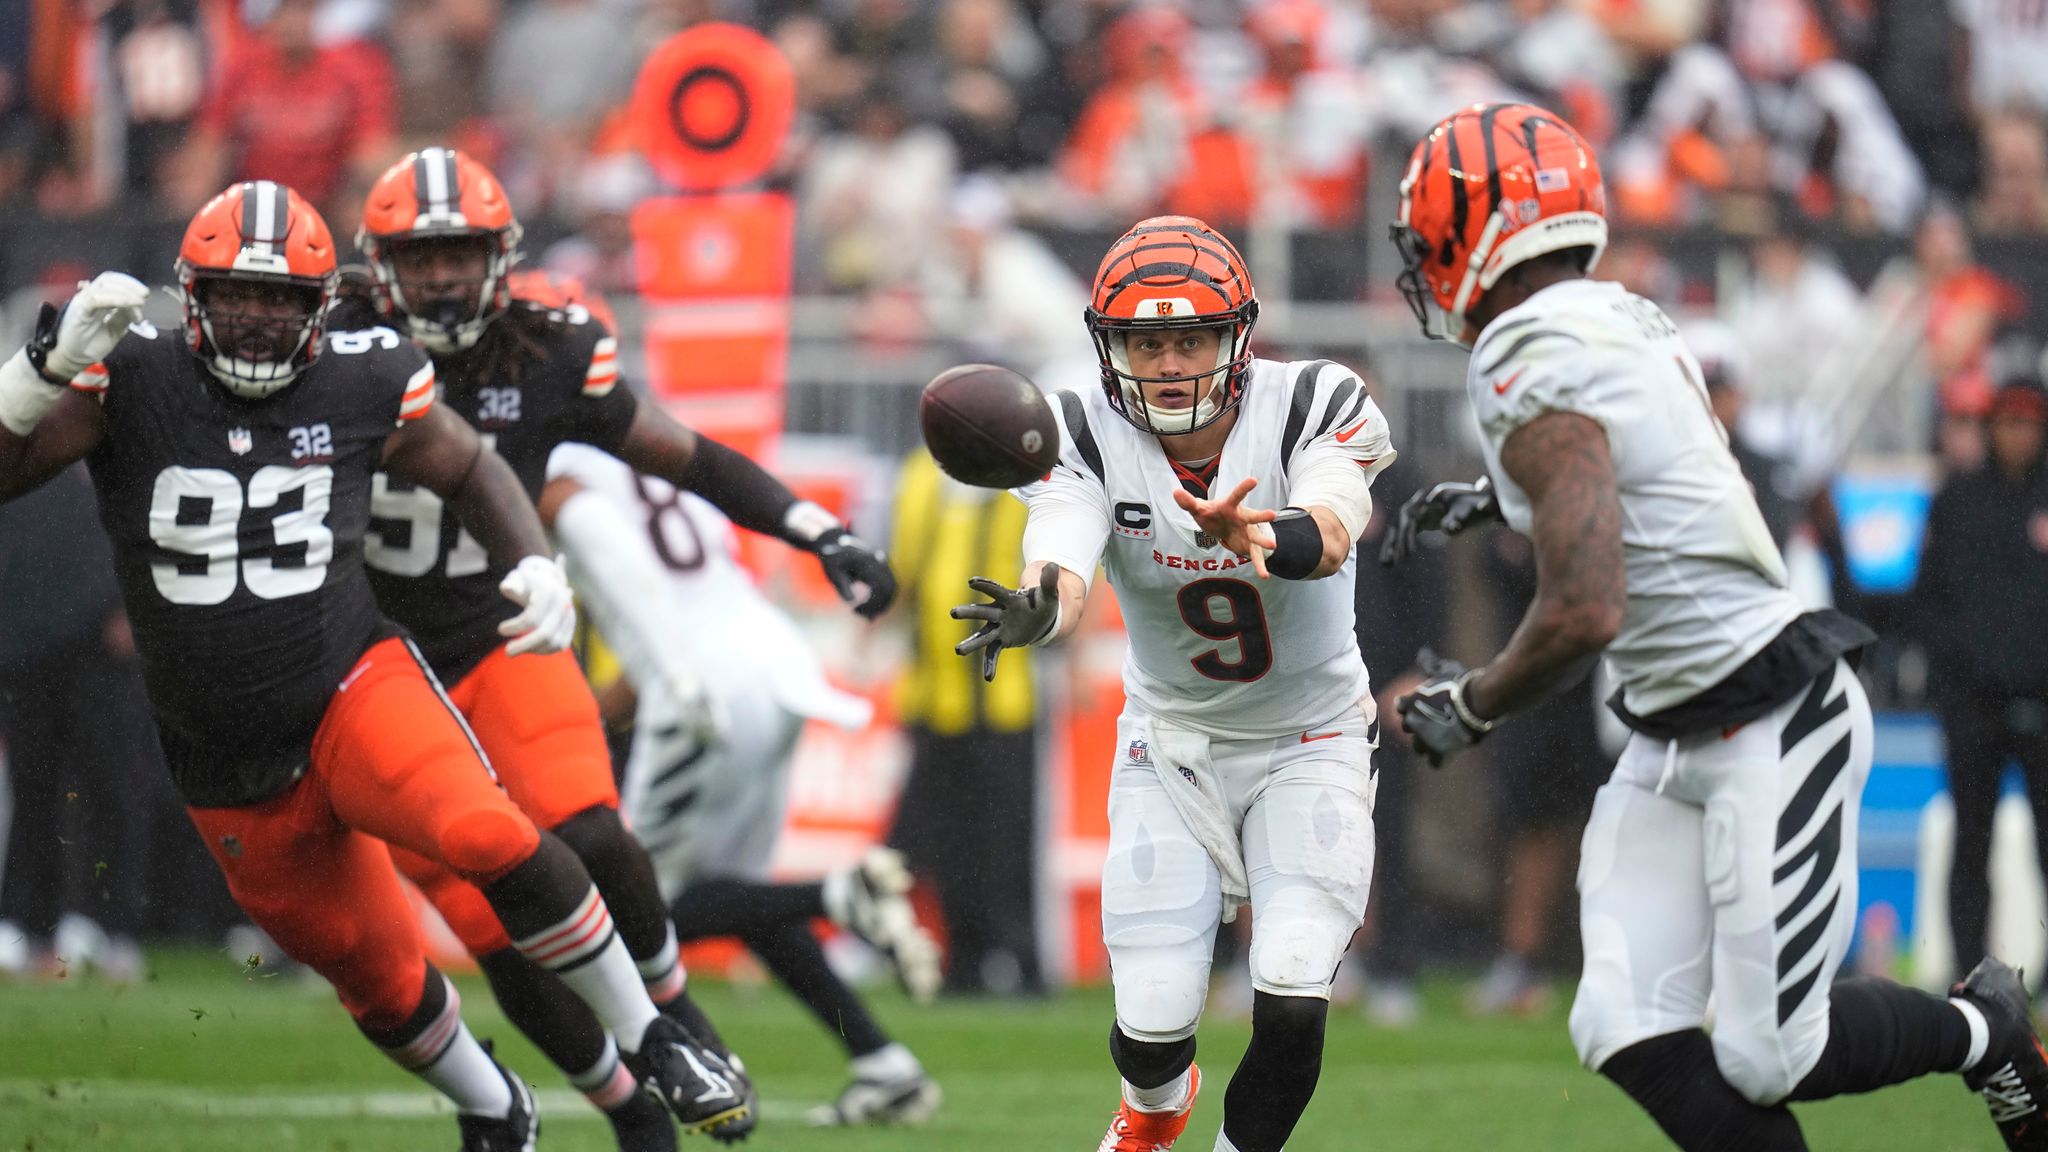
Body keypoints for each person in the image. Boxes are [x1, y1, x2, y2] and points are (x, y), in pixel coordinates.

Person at [0, 180, 739, 1151]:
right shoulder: (133, 372)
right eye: (234, 295)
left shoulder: (365, 369)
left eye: (280, 301)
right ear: (192, 296)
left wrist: (531, 563)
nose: (258, 320)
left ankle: (658, 1040)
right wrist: (36, 372)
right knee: (373, 973)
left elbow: (470, 464)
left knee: (485, 831)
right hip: (219, 755)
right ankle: (494, 1106)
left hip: (350, 686)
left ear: (322, 306)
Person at [1383, 102, 2048, 1152]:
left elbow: (1583, 607)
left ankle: (1984, 1031)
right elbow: (1628, 481)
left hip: (1768, 715)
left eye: (1430, 238)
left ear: (1481, 233)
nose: (1422, 265)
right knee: (1620, 1019)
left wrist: (1467, 706)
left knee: (1767, 1053)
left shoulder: (1527, 352)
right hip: (1670, 728)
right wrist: (1487, 496)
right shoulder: (1615, 317)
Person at [348, 147, 896, 1146]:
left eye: (457, 254)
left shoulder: (545, 351)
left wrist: (818, 531)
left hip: (501, 632)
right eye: (417, 257)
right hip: (371, 670)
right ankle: (627, 1110)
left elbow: (687, 456)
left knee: (590, 830)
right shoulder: (328, 343)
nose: (436, 277)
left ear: (498, 257)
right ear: (377, 263)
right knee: (499, 937)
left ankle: (674, 1018)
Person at [954, 215, 1393, 1152]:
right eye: (1145, 342)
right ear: (1111, 349)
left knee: (1292, 979)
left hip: (1310, 735)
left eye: (1189, 337)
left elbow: (1336, 520)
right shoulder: (1083, 429)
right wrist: (1043, 604)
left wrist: (1263, 535)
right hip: (1172, 743)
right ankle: (1154, 1110)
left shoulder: (1315, 399)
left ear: (1236, 337)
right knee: (1152, 1023)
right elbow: (1063, 552)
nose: (1168, 363)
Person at [544, 441, 945, 1126]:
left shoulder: (559, 473)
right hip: (775, 660)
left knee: (640, 912)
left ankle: (835, 895)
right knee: (743, 899)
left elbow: (641, 594)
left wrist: (664, 680)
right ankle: (885, 1066)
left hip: (705, 687)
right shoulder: (635, 450)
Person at [890, 443, 1047, 997]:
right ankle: (964, 961)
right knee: (945, 842)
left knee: (1008, 841)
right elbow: (905, 574)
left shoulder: (1027, 480)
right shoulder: (917, 476)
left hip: (1006, 696)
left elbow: (1062, 569)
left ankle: (1024, 964)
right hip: (933, 697)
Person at [1912, 376, 2048, 983]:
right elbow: (1929, 600)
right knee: (1971, 845)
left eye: (2030, 424)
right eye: (2009, 422)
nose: (2018, 435)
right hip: (1974, 707)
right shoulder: (1959, 497)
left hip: (2044, 703)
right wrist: (1960, 681)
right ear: (1991, 426)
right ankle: (1973, 978)